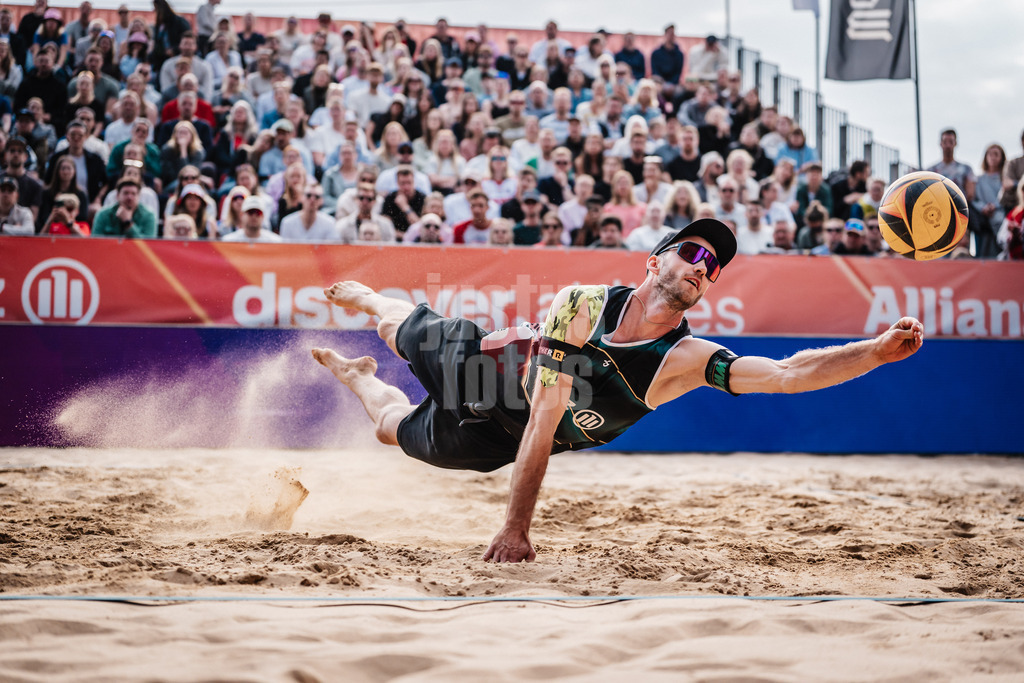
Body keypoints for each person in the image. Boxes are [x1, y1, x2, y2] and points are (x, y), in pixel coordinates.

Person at [312, 221, 925, 561]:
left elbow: (789, 374)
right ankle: (371, 300)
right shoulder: (580, 305)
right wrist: (516, 527)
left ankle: (358, 379)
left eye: (713, 267)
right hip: (485, 369)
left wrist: (873, 351)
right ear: (652, 263)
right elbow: (547, 415)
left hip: (503, 440)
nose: (702, 267)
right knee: (398, 331)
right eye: (691, 252)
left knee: (391, 431)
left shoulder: (684, 360)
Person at [91, 177, 156, 237]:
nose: (129, 197)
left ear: (139, 196)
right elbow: (95, 242)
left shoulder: (148, 215)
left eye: (133, 194)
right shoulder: (103, 214)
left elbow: (148, 245)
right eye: (126, 193)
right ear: (117, 195)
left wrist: (128, 223)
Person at [650, 25, 684, 101]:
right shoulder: (656, 53)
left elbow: (678, 72)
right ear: (665, 35)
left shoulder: (679, 54)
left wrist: (671, 84)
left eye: (673, 34)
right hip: (658, 82)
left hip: (674, 84)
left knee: (680, 93)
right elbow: (655, 71)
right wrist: (662, 84)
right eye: (669, 33)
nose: (671, 36)